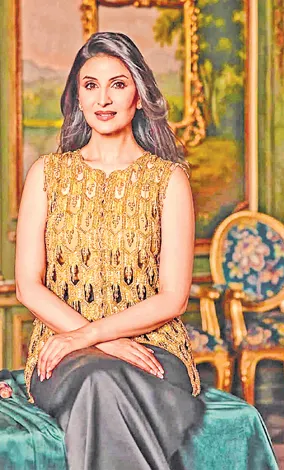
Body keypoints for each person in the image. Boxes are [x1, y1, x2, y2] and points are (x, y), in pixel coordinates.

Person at [14, 32, 203, 470]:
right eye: (90, 85)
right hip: (62, 353)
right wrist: (98, 340)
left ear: (138, 95)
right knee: (98, 378)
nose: (103, 98)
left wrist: (91, 336)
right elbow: (28, 286)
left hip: (154, 350)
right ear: (77, 98)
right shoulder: (46, 174)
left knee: (105, 382)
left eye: (118, 84)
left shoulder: (169, 180)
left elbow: (173, 298)